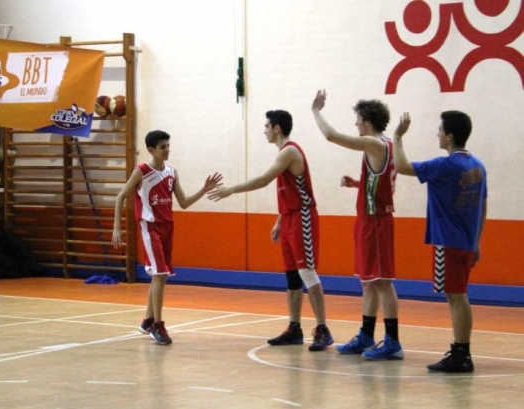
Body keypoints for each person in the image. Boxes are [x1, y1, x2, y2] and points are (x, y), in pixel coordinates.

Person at [208, 110, 333, 351]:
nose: (264, 130)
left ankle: (323, 329)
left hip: (303, 217)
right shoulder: (283, 153)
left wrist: (231, 190)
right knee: (292, 276)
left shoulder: (289, 151)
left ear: (277, 128)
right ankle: (295, 328)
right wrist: (279, 221)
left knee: (307, 272)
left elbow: (264, 180)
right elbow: (292, 192)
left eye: (266, 126)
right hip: (289, 217)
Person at [311, 90, 404, 360]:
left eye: (358, 120)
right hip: (369, 220)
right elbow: (382, 183)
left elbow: (331, 136)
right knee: (368, 282)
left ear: (368, 121)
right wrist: (357, 184)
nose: (355, 124)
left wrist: (316, 111)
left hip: (376, 222)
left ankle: (393, 341)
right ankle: (366, 335)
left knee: (382, 282)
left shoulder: (375, 144)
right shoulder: (384, 145)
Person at [393, 111, 486, 372]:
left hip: (448, 240)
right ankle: (461, 351)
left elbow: (401, 166)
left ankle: (461, 354)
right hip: (466, 241)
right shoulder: (477, 166)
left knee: (456, 297)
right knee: (459, 295)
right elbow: (483, 205)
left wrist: (398, 136)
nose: (437, 133)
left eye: (440, 129)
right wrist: (476, 241)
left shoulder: (445, 166)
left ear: (450, 136)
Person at [112, 130, 222, 345]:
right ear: (151, 150)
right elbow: (120, 196)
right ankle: (158, 325)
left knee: (158, 275)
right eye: (163, 147)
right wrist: (117, 227)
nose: (167, 150)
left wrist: (204, 189)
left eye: (168, 146)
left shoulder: (171, 172)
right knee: (160, 274)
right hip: (150, 227)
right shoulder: (142, 171)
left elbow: (184, 202)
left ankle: (148, 320)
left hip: (167, 228)